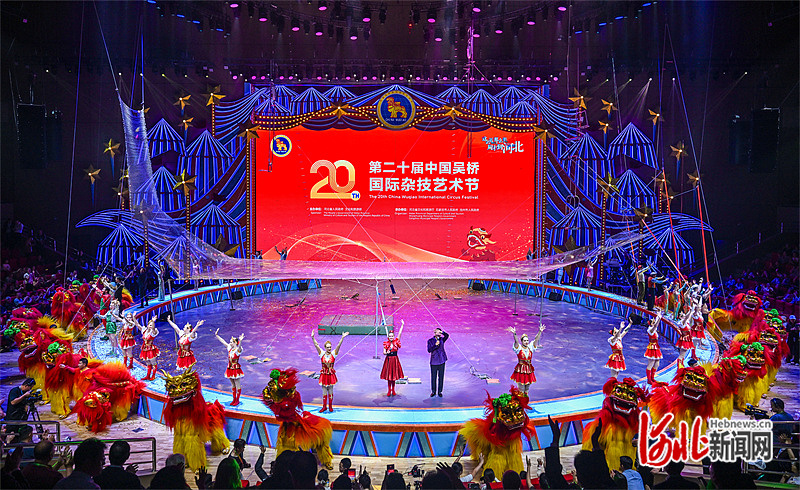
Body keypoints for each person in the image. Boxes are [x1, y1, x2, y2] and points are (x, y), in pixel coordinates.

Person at [311, 328, 349, 412]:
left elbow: (338, 346)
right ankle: (324, 406)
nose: (329, 348)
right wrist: (313, 337)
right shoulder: (321, 354)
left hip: (331, 375)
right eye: (328, 347)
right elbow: (316, 345)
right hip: (324, 375)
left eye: (330, 347)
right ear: (325, 348)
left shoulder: (334, 354)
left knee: (330, 391)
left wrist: (342, 338)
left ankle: (330, 406)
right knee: (324, 391)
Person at [509, 324, 545, 396]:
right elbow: (516, 342)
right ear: (522, 341)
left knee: (527, 389)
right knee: (521, 389)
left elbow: (536, 340)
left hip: (529, 370)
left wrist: (540, 332)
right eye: (524, 340)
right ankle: (521, 402)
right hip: (520, 370)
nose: (526, 342)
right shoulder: (519, 348)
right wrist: (514, 334)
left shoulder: (530, 347)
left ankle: (525, 401)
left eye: (527, 340)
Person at [214, 328, 245, 406]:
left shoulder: (237, 350)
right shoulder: (230, 349)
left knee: (237, 384)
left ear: (235, 343)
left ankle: (237, 400)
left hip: (236, 368)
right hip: (230, 368)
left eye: (231, 342)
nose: (230, 343)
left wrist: (240, 341)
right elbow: (223, 341)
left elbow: (239, 347)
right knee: (233, 384)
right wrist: (217, 335)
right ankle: (234, 399)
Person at [380, 320, 405, 397]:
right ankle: (389, 390)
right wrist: (386, 352)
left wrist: (402, 325)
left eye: (392, 336)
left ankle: (393, 390)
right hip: (388, 360)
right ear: (388, 337)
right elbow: (384, 352)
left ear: (394, 336)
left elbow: (400, 334)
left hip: (395, 360)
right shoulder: (386, 343)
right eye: (390, 336)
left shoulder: (396, 341)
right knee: (389, 376)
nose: (391, 337)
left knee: (393, 376)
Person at [427, 327, 449, 397]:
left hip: (442, 360)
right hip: (434, 361)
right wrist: (435, 345)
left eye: (440, 332)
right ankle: (433, 391)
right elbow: (429, 350)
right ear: (434, 333)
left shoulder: (442, 339)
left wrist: (442, 332)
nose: (439, 333)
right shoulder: (430, 341)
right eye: (437, 332)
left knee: (441, 376)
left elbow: (447, 335)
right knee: (434, 377)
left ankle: (440, 391)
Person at [644, 310, 664, 385]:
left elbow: (656, 324)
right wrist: (659, 317)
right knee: (651, 363)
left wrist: (659, 316)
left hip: (656, 347)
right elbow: (655, 325)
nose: (654, 323)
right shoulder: (650, 329)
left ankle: (652, 377)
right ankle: (649, 379)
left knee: (657, 362)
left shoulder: (654, 329)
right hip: (652, 347)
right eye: (653, 322)